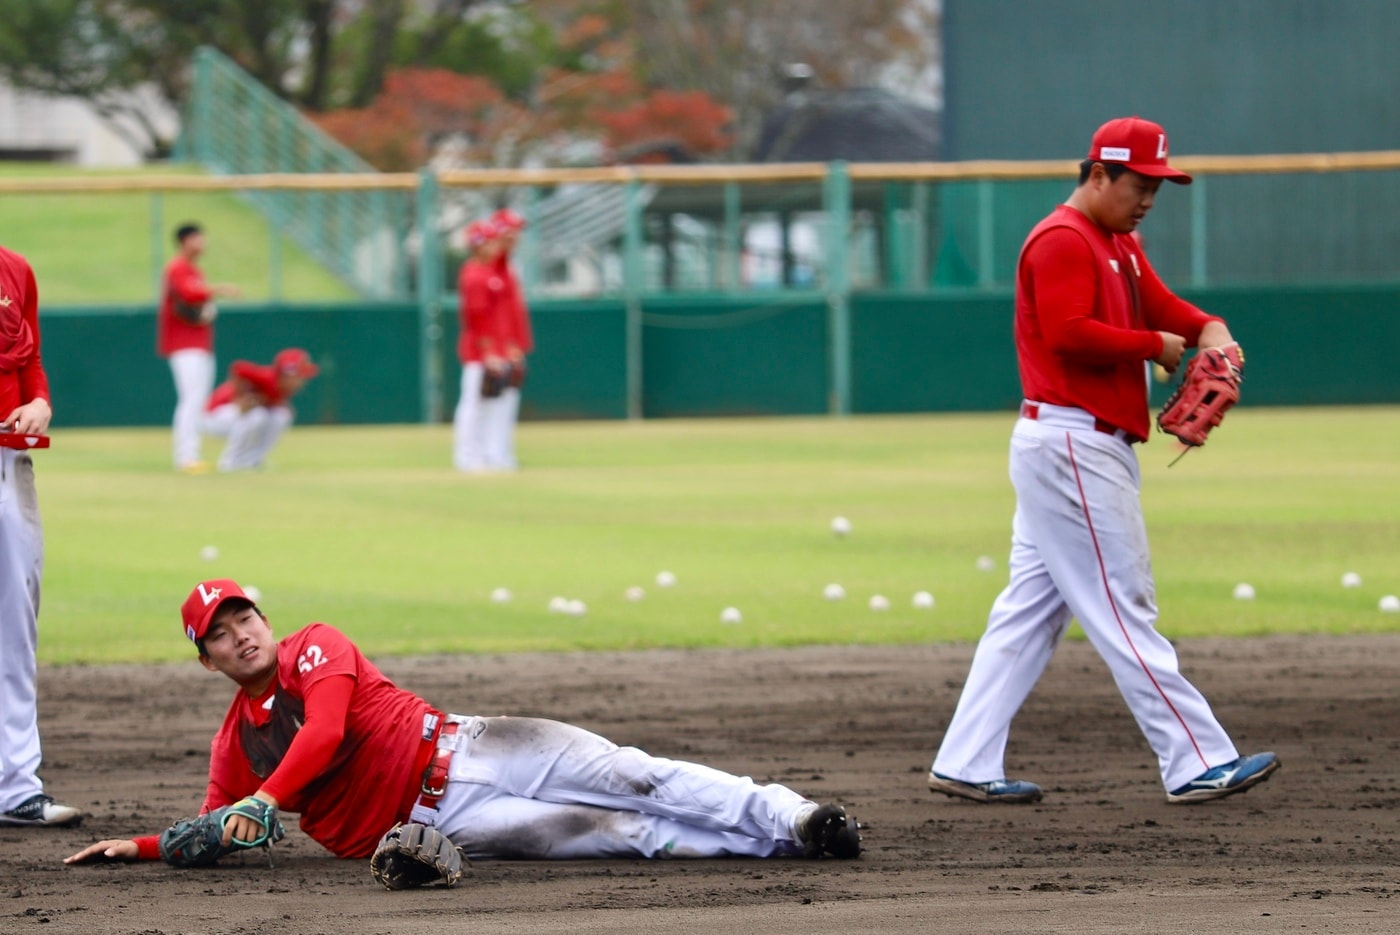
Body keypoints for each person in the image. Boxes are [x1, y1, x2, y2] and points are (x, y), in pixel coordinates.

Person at [927, 117, 1279, 806]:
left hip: (1079, 445)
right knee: (1122, 604)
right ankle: (1196, 759)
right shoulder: (1063, 239)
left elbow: (1166, 305)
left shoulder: (1118, 240)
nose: (1149, 196)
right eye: (1139, 183)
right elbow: (1068, 333)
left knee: (1030, 609)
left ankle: (965, 759)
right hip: (1071, 444)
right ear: (1098, 174)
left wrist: (1212, 327)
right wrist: (1154, 344)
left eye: (1158, 185)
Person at [65, 580, 860, 867]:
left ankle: (791, 813)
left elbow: (328, 733)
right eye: (220, 631)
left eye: (244, 615)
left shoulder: (316, 646)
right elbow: (212, 824)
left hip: (482, 745)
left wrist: (266, 803)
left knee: (636, 773)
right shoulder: (235, 740)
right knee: (623, 832)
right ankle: (789, 846)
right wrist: (139, 846)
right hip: (446, 826)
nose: (240, 632)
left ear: (265, 619)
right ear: (207, 660)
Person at [0, 242, 79, 828]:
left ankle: (14, 787)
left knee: (13, 630)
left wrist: (39, 402)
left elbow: (30, 361)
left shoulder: (16, 268)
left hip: (8, 465)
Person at [157, 223, 240, 474]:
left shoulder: (194, 270)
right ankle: (186, 456)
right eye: (197, 238)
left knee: (197, 400)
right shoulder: (177, 268)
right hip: (184, 345)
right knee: (190, 400)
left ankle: (192, 453)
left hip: (199, 343)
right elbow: (189, 295)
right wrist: (219, 289)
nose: (202, 243)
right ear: (185, 241)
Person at [451, 220, 510, 472]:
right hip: (478, 351)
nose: (496, 244)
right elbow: (477, 318)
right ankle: (466, 456)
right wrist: (488, 352)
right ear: (479, 245)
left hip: (492, 349)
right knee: (473, 403)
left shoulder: (489, 272)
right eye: (491, 240)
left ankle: (485, 453)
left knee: (488, 404)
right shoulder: (474, 274)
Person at [202, 348, 320, 472]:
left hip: (234, 418)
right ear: (288, 374)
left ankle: (253, 461)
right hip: (214, 416)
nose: (302, 381)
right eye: (300, 376)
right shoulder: (266, 377)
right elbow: (238, 367)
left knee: (281, 415)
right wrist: (239, 396)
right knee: (258, 415)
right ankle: (229, 462)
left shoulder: (282, 388)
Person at [484, 208, 534, 471]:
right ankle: (489, 455)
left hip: (508, 344)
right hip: (494, 346)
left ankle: (501, 454)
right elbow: (485, 312)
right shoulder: (491, 266)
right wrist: (495, 346)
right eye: (511, 230)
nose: (517, 235)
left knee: (506, 402)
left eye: (517, 230)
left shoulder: (509, 265)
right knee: (489, 403)